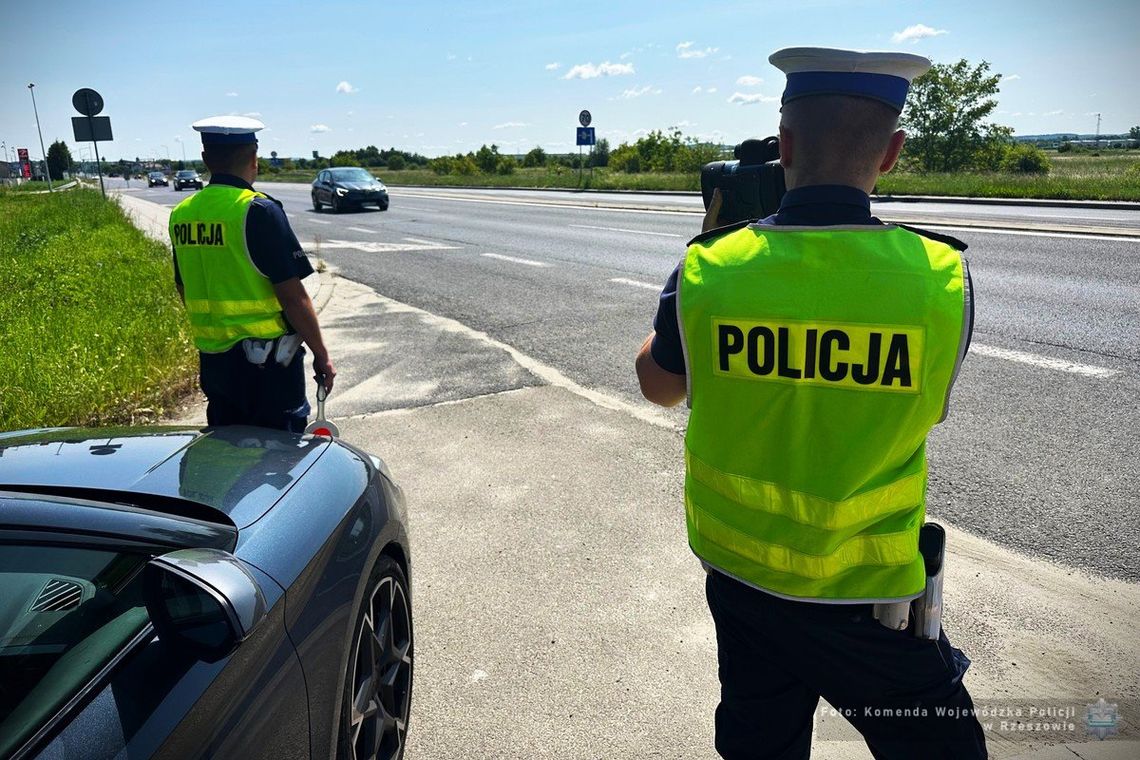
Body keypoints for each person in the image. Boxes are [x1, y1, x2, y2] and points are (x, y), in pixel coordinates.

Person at [635, 47, 987, 759]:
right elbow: (930, 407)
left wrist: (714, 245)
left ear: (784, 145)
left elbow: (659, 383)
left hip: (743, 581)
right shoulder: (939, 280)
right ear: (891, 154)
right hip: (870, 601)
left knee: (759, 742)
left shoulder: (709, 267)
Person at [170, 116, 334, 433]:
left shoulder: (183, 213)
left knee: (227, 449)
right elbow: (293, 296)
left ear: (205, 160)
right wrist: (321, 354)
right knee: (279, 462)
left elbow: (182, 286)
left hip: (214, 361)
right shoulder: (258, 210)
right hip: (269, 366)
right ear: (254, 159)